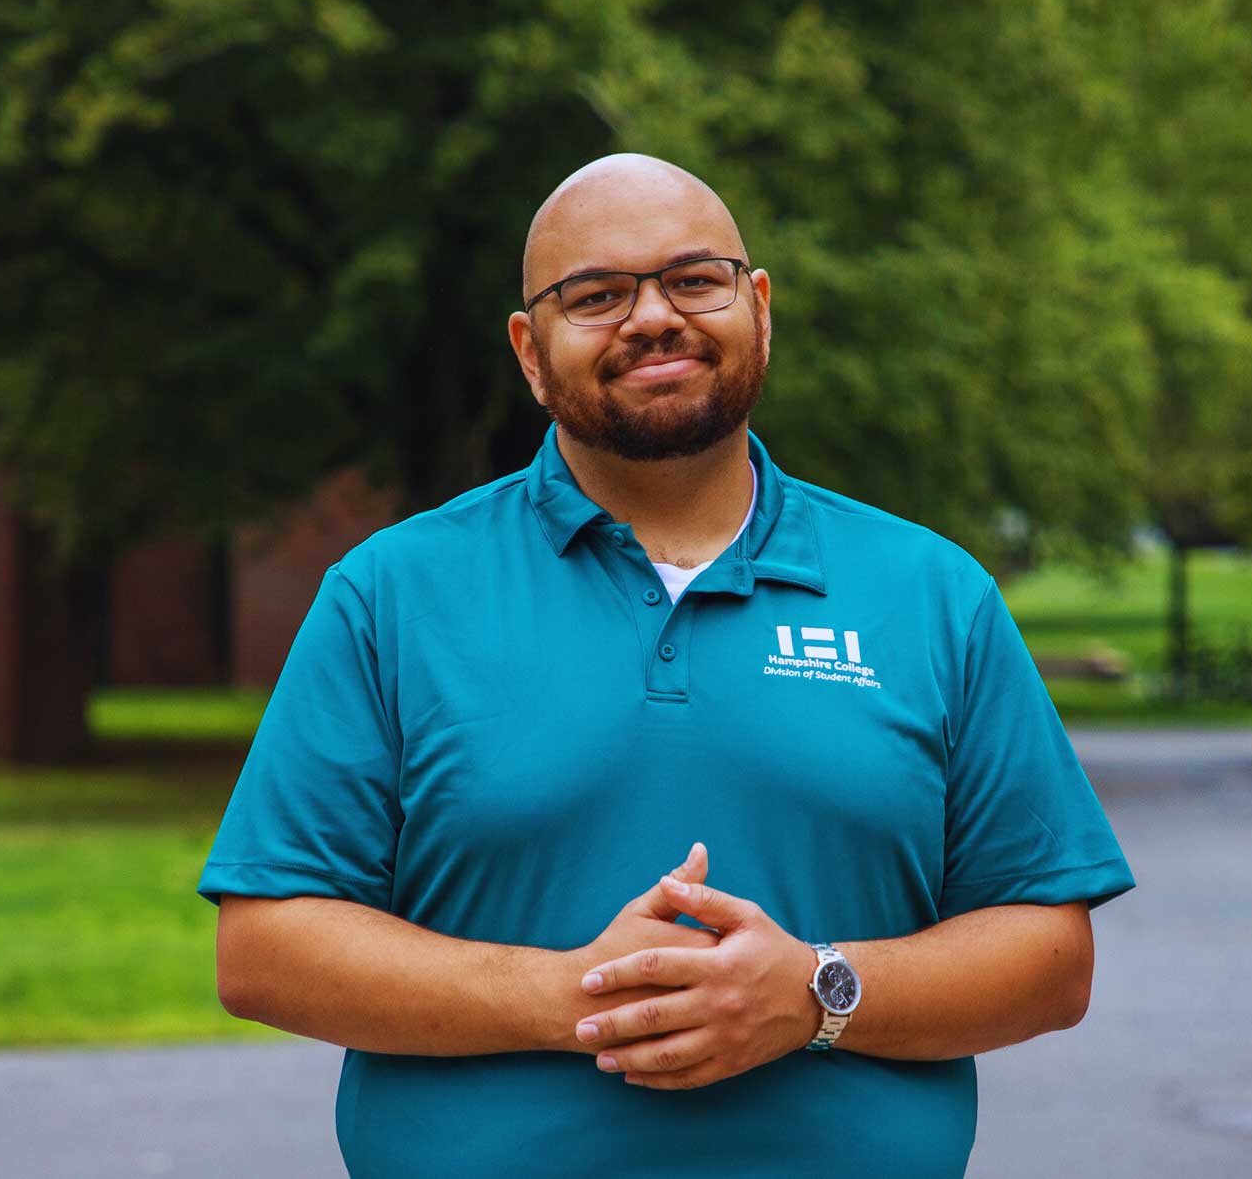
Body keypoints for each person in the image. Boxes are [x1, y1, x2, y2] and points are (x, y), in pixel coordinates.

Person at [199, 153, 1136, 1179]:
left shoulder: (929, 593)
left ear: (758, 306)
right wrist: (570, 995)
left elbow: (1050, 958)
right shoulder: (392, 595)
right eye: (595, 294)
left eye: (694, 279)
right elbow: (266, 950)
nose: (653, 317)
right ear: (529, 348)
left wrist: (814, 991)